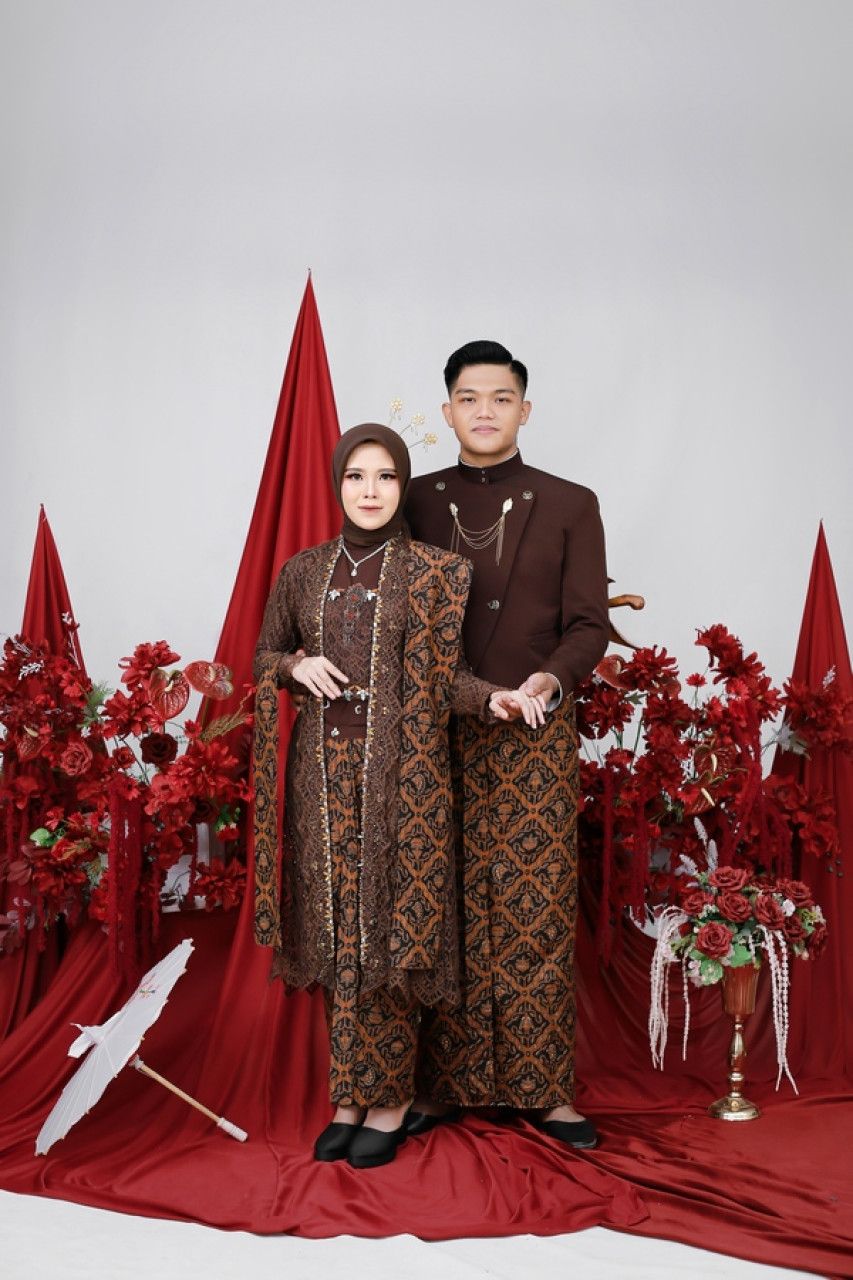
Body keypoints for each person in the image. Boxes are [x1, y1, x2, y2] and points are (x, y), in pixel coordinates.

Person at [252, 423, 541, 1168]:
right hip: (321, 776)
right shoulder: (301, 573)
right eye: (356, 476)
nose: (370, 490)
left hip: (405, 779)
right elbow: (263, 654)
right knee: (335, 929)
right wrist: (291, 667)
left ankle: (386, 1101)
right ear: (337, 484)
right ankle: (346, 1097)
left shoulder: (437, 573)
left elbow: (448, 679)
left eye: (385, 476)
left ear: (402, 484)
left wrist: (494, 701)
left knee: (390, 931)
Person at [404, 341, 609, 1149]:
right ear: (447, 411)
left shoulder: (569, 503)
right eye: (468, 397)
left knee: (536, 909)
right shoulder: (412, 499)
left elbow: (587, 624)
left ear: (524, 409)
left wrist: (548, 682)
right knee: (439, 904)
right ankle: (439, 1086)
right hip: (432, 734)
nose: (483, 411)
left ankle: (542, 1089)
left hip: (533, 733)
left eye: (499, 398)